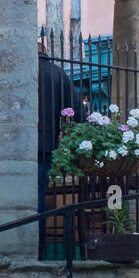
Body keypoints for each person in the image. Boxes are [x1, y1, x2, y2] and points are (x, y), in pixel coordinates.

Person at [38, 53, 84, 257]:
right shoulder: (56, 73)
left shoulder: (20, 68)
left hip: (15, 145)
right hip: (45, 144)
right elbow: (77, 111)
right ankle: (38, 250)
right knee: (37, 200)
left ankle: (26, 250)